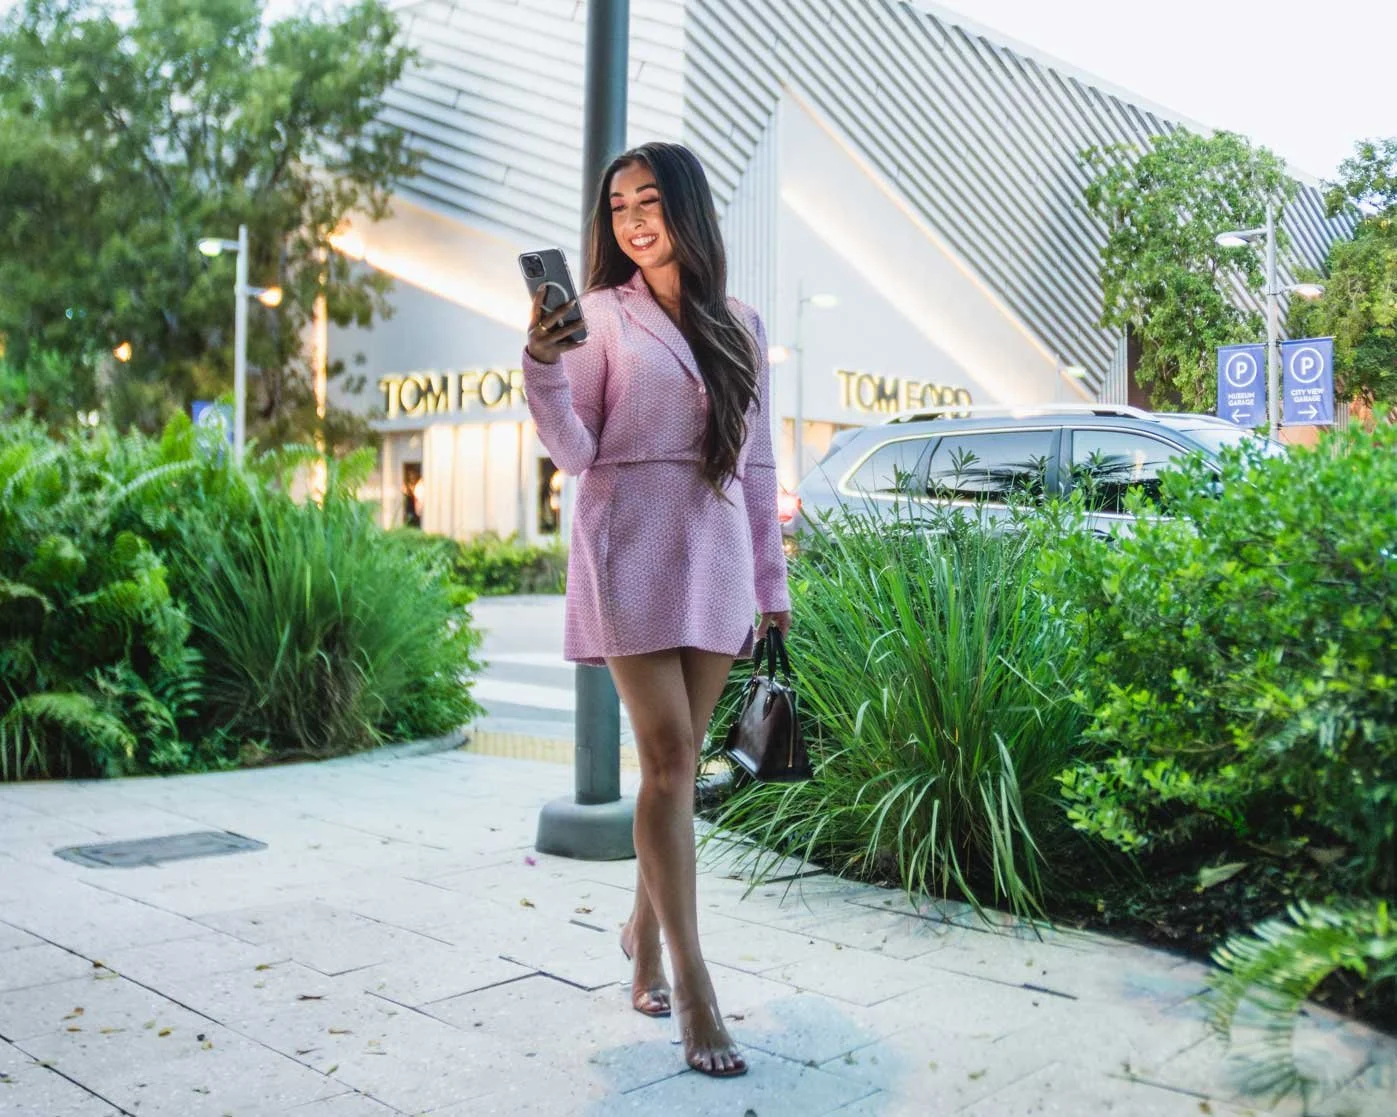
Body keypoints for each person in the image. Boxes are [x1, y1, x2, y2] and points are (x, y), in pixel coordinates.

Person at [521, 142, 791, 1078]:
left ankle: (639, 927)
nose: (632, 218)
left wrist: (773, 586)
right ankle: (694, 978)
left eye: (648, 200)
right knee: (670, 759)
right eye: (617, 206)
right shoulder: (596, 314)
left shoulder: (742, 325)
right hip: (626, 543)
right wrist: (543, 364)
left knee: (674, 775)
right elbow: (575, 449)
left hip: (712, 553)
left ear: (686, 208)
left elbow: (756, 468)